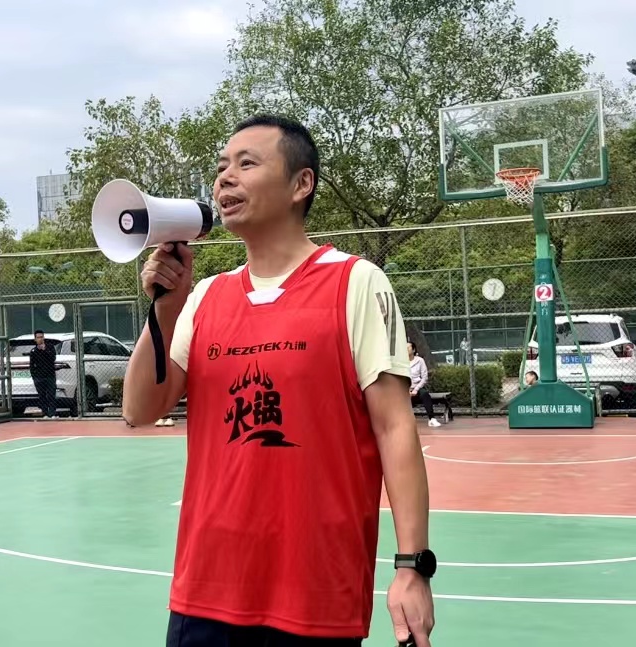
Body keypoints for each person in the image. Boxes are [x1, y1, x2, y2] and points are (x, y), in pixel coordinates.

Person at [122, 114, 435, 646]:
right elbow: (140, 409)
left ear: (300, 184)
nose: (225, 177)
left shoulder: (356, 282)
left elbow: (394, 428)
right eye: (222, 166)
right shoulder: (206, 297)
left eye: (247, 163)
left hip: (316, 593)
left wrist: (412, 566)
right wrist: (167, 307)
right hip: (206, 589)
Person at [408, 342, 441, 428]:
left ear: (414, 350)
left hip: (417, 388)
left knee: (425, 394)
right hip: (405, 389)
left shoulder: (420, 361)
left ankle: (432, 419)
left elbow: (424, 378)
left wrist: (416, 389)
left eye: (408, 347)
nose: (406, 349)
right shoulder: (401, 363)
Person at [29, 329, 58, 419]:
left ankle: (52, 414)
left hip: (50, 376)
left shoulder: (50, 347)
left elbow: (52, 358)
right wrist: (35, 378)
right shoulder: (33, 351)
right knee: (42, 396)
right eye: (38, 337)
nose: (40, 339)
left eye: (41, 337)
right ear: (35, 339)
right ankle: (45, 413)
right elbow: (32, 365)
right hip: (39, 377)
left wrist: (44, 350)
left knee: (51, 395)